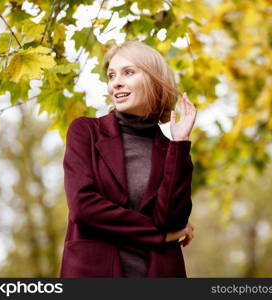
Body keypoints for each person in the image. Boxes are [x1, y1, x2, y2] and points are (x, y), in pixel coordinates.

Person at [60, 40, 197, 278]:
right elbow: (83, 207)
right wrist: (159, 235)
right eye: (112, 76)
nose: (116, 83)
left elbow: (173, 221)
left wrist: (180, 142)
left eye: (128, 72)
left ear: (154, 80)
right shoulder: (86, 132)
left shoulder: (172, 151)